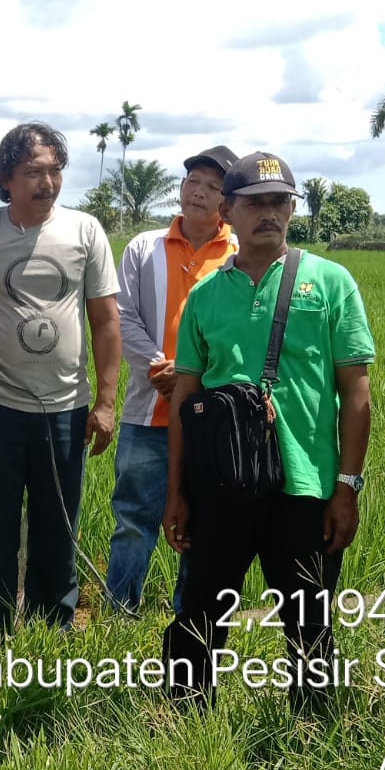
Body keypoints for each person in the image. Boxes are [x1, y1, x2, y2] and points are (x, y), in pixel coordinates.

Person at [160, 152, 374, 711]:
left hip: (305, 486)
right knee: (201, 611)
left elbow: (356, 391)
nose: (270, 213)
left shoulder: (330, 282)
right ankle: (184, 722)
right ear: (229, 210)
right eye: (255, 202)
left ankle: (310, 732)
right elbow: (186, 397)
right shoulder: (205, 295)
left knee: (309, 621)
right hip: (219, 486)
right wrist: (176, 492)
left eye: (280, 201)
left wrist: (347, 487)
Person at [0, 122, 121, 632]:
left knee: (57, 528)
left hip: (66, 408)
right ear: (5, 179)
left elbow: (106, 320)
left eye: (55, 170)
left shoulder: (85, 231)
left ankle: (49, 635)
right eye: (32, 172)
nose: (48, 182)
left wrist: (105, 404)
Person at [105, 145, 237, 613]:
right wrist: (161, 365)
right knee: (133, 519)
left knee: (203, 522)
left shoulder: (239, 254)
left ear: (228, 200)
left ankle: (191, 617)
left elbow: (244, 330)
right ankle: (119, 614)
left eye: (212, 187)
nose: (198, 193)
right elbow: (120, 315)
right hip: (147, 412)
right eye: (191, 183)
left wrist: (188, 378)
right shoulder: (145, 247)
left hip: (212, 420)